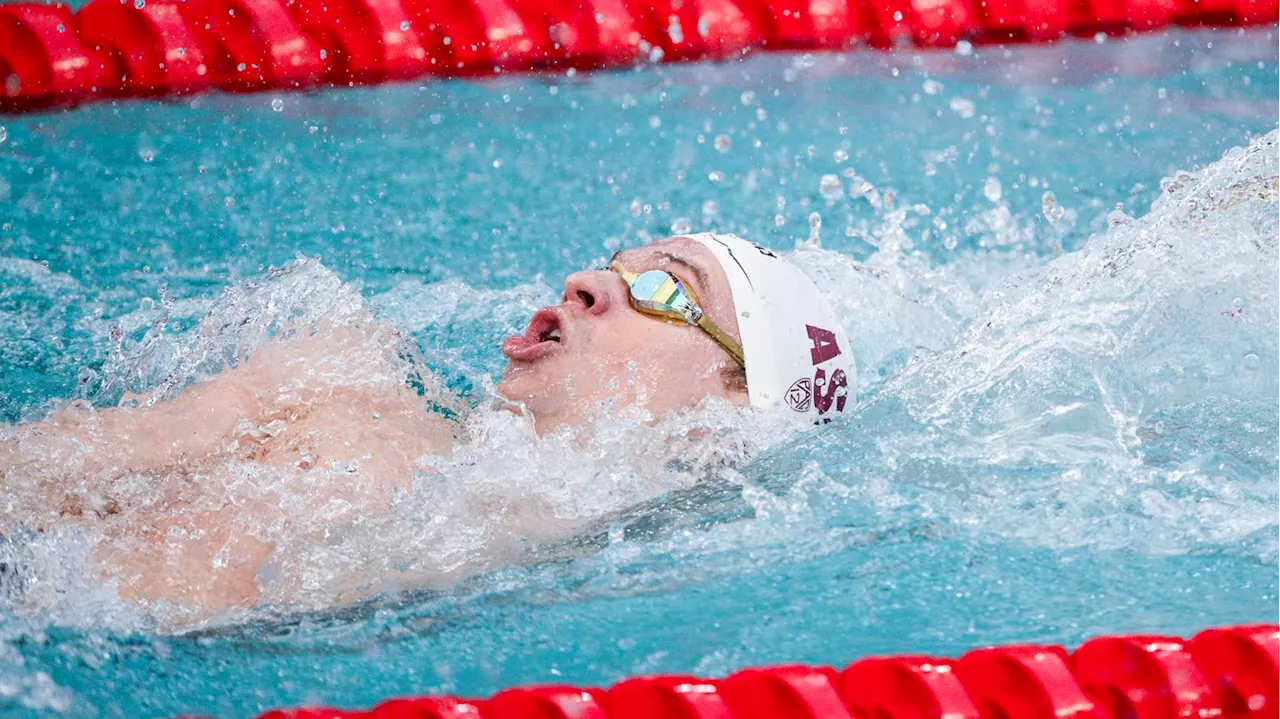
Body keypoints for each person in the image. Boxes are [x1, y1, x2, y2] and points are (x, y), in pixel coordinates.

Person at [0, 233, 853, 623]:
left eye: (666, 289)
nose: (589, 279)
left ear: (728, 408)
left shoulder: (550, 547)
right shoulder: (339, 366)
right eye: (618, 260)